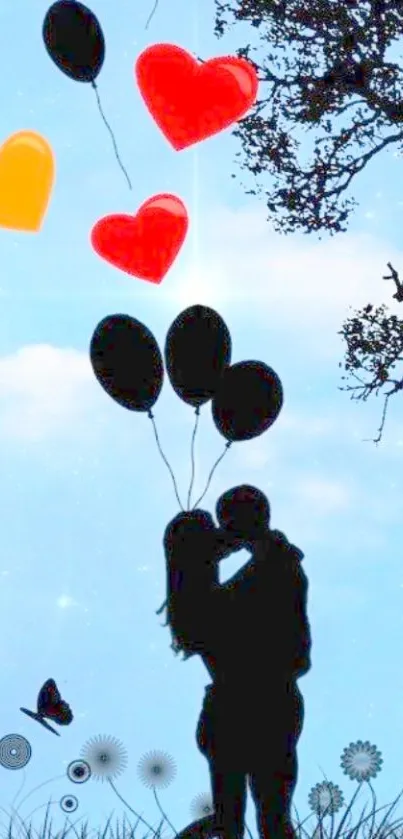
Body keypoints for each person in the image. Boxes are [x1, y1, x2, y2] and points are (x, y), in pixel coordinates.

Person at [159, 490, 311, 839]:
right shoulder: (273, 567)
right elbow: (298, 655)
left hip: (233, 708)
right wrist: (248, 539)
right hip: (267, 703)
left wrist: (226, 542)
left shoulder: (198, 604)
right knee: (270, 819)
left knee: (236, 822)